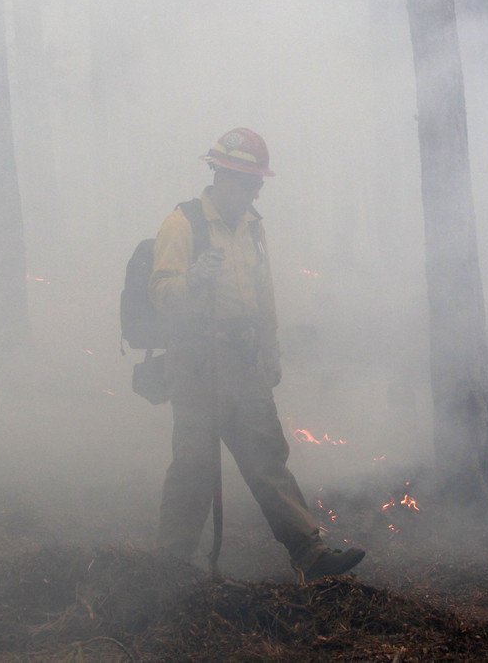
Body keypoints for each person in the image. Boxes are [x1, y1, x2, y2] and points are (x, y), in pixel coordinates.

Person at [149, 127, 365, 581]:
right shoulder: (182, 224)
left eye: (257, 183)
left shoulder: (252, 226)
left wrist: (271, 352)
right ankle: (168, 564)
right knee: (194, 465)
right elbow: (161, 296)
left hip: (244, 363)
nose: (256, 191)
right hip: (197, 365)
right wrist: (195, 279)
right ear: (222, 176)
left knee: (267, 460)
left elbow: (263, 298)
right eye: (250, 182)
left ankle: (310, 554)